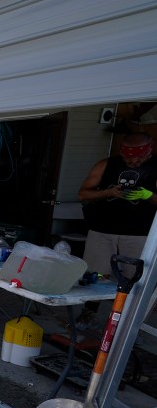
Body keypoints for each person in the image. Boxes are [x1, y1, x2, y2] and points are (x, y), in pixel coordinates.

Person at [77, 130, 157, 325]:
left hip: (139, 234)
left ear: (149, 151)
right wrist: (108, 192)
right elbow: (83, 194)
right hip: (102, 230)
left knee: (136, 279)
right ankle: (88, 313)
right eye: (128, 158)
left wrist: (148, 195)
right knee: (94, 275)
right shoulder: (106, 165)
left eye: (138, 158)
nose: (133, 162)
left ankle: (129, 324)